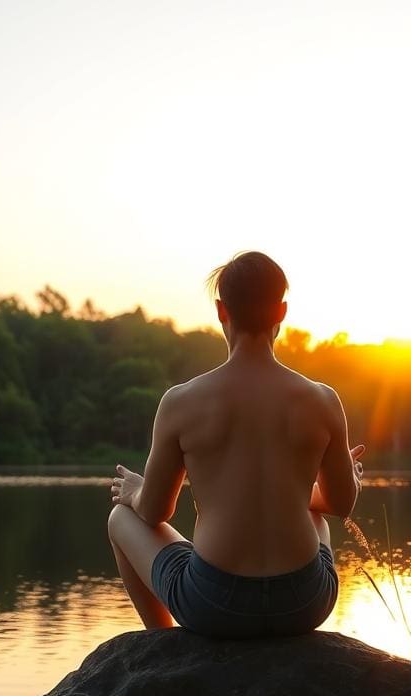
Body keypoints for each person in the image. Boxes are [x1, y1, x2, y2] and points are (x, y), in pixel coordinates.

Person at [107, 251, 364, 639]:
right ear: (281, 312)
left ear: (221, 311)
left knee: (120, 519)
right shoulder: (322, 400)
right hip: (303, 603)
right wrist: (347, 475)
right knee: (314, 515)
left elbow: (155, 511)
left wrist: (135, 491)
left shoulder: (181, 401)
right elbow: (342, 505)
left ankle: (162, 647)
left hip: (213, 603)